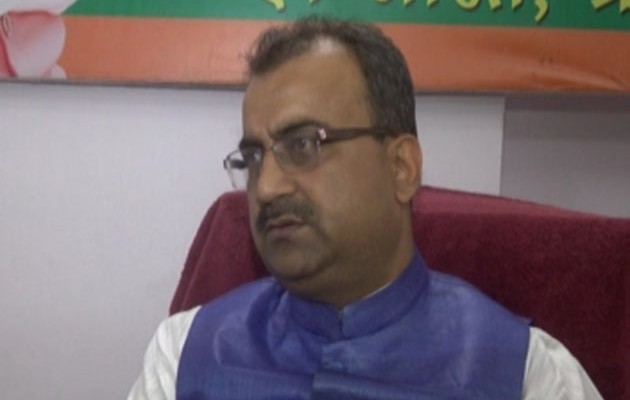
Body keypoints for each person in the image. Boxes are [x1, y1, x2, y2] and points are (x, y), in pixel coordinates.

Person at [128, 17, 603, 400]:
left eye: (304, 144)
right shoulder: (184, 355)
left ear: (401, 168)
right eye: (253, 158)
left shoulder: (526, 375)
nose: (267, 187)